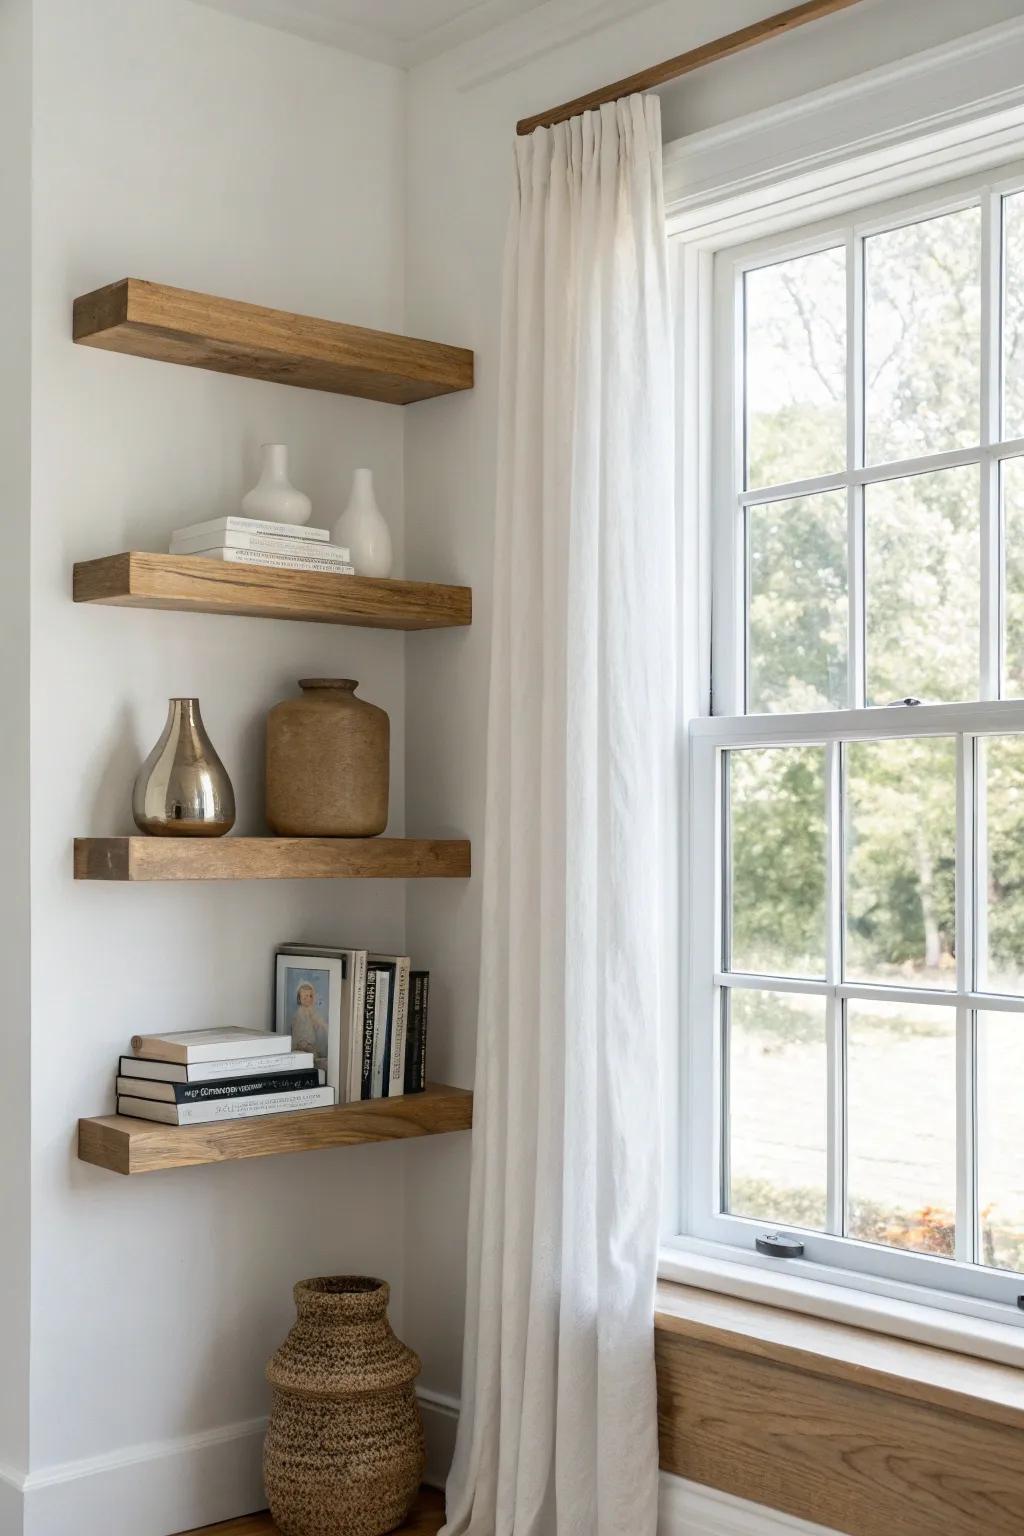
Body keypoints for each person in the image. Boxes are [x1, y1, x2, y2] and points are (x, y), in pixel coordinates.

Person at [290, 979, 328, 1072]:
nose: (309, 999)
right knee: (310, 1056)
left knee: (316, 1054)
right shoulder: (299, 1013)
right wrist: (300, 1042)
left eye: (311, 996)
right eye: (305, 997)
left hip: (309, 1041)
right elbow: (296, 1030)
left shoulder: (311, 1010)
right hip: (301, 1042)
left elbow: (318, 1020)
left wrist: (324, 1026)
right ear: (299, 999)